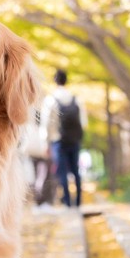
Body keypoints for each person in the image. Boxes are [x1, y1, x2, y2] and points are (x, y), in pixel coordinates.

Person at [40, 68, 87, 208]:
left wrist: (45, 143)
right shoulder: (76, 99)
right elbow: (83, 122)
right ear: (66, 80)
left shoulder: (50, 100)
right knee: (75, 171)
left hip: (58, 141)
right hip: (74, 140)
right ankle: (78, 201)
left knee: (62, 172)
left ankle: (67, 202)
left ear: (55, 81)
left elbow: (46, 124)